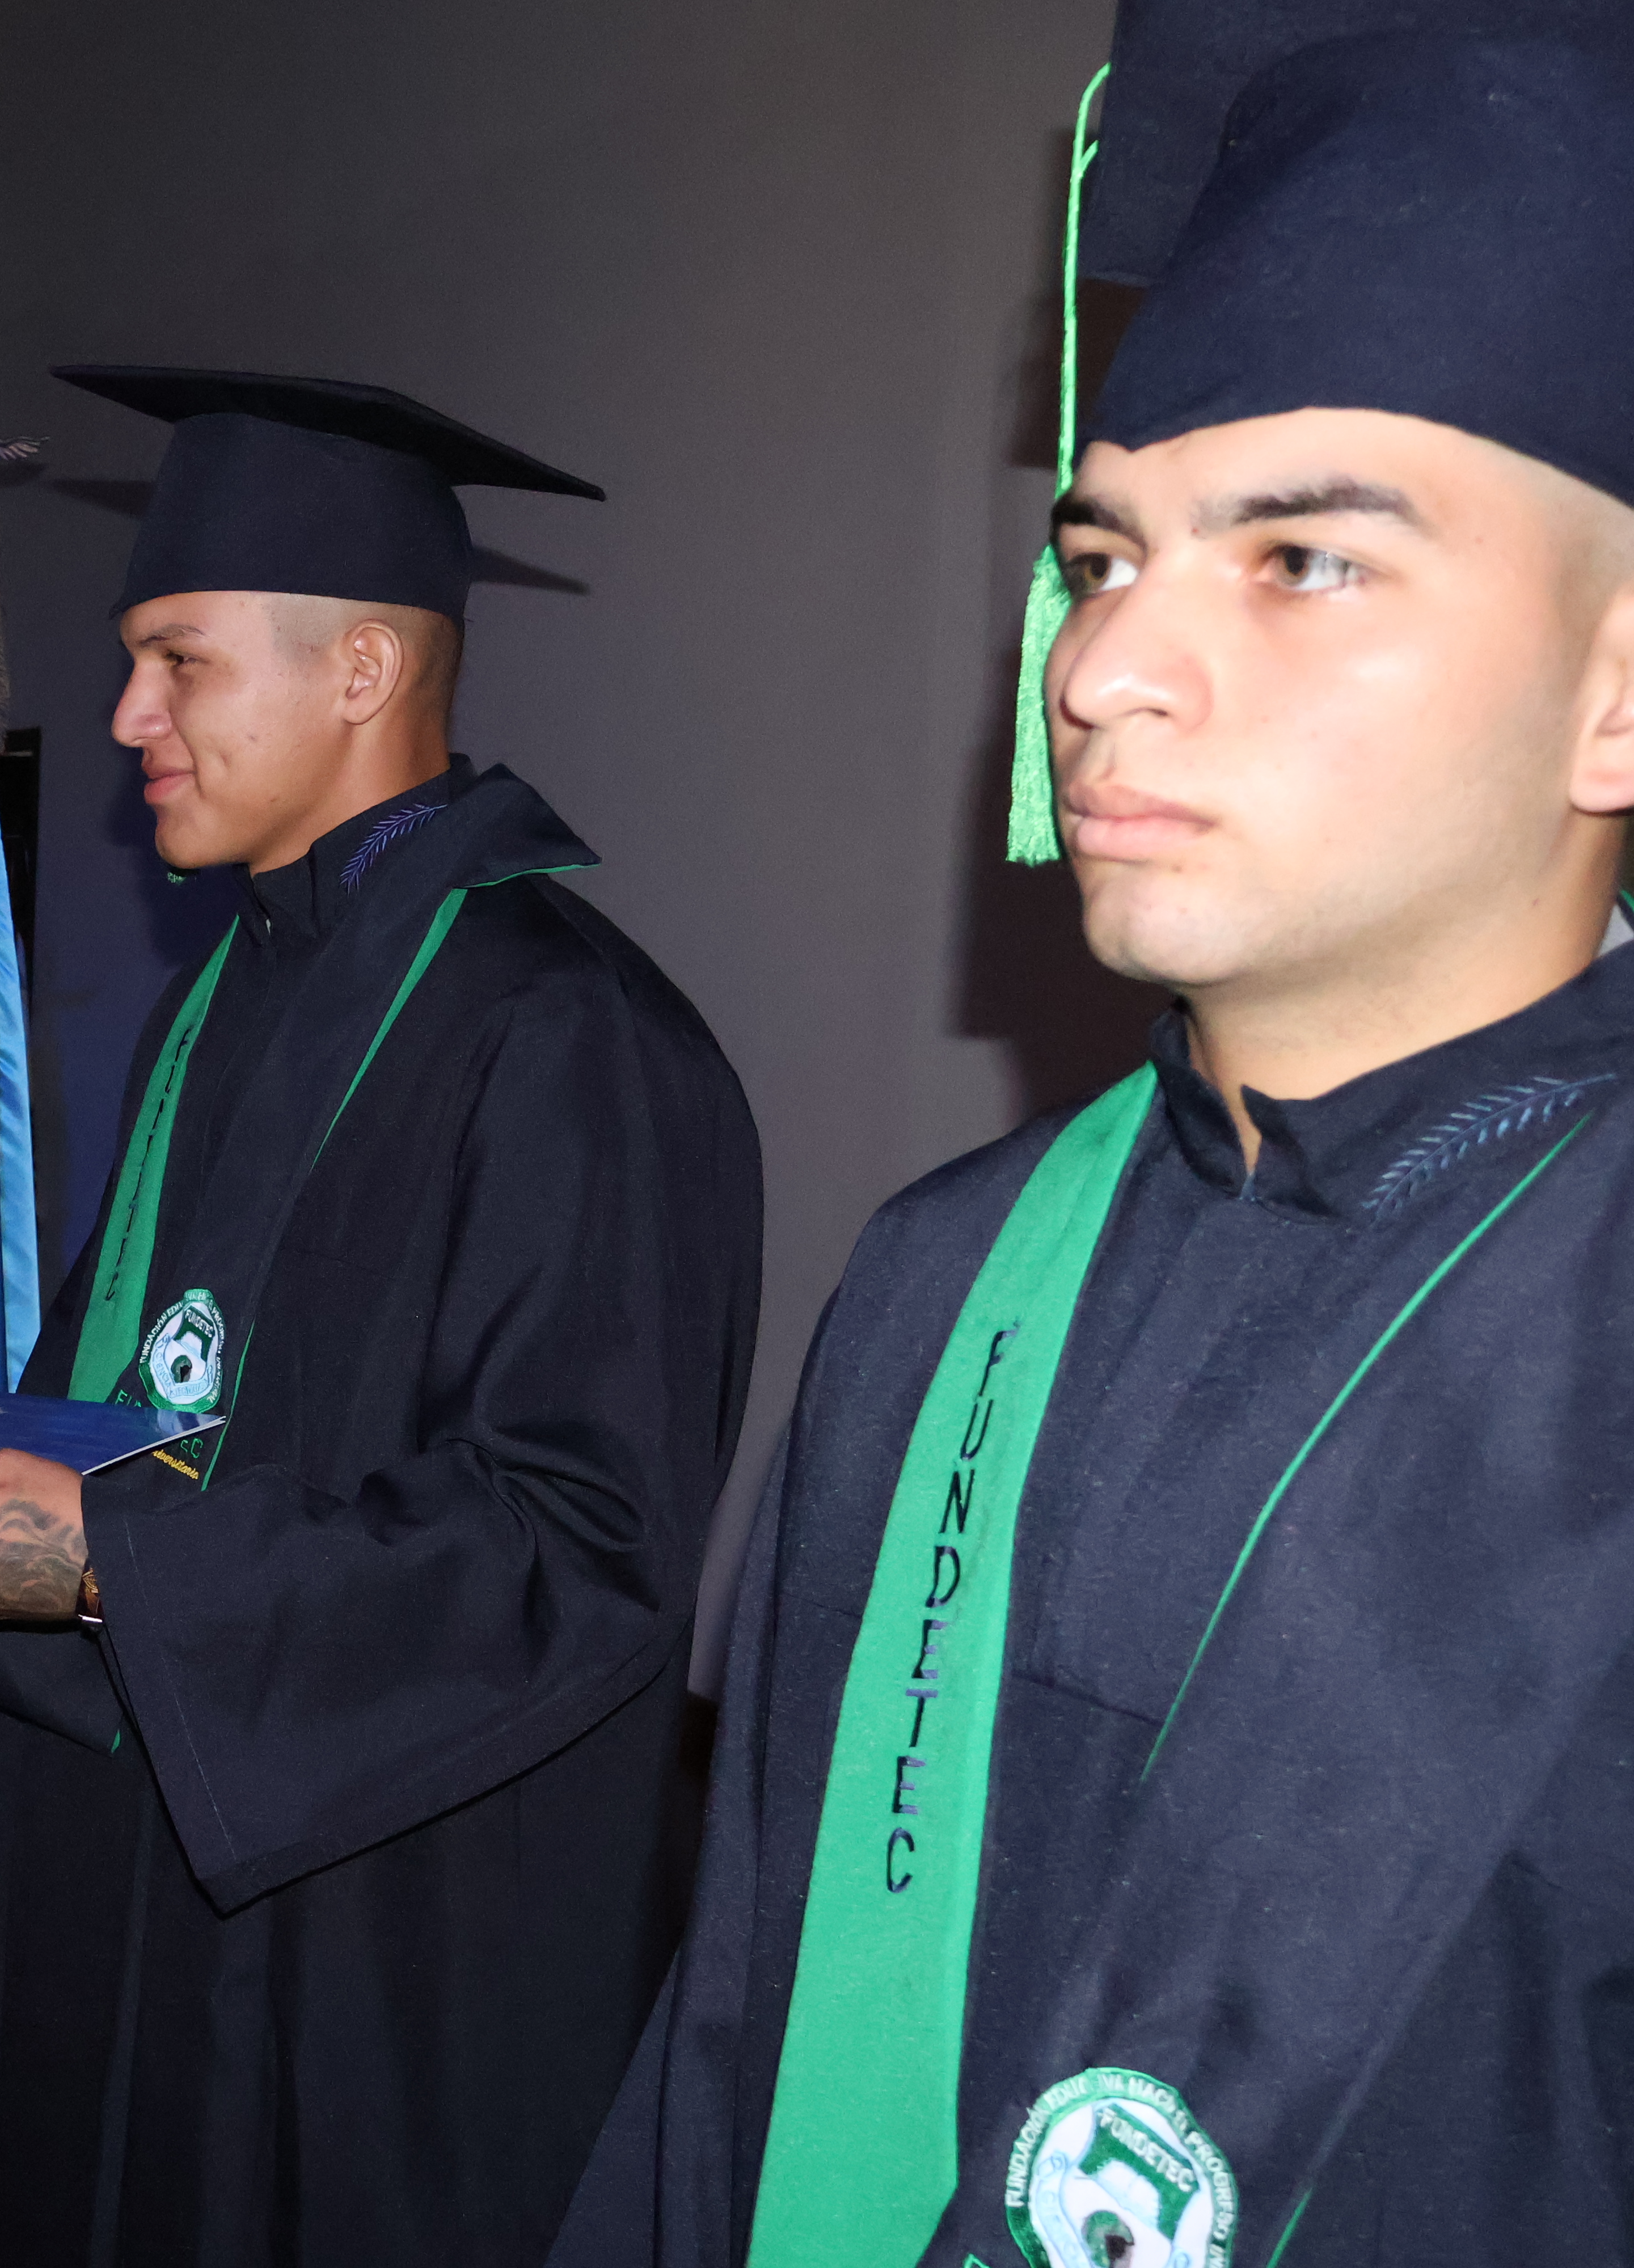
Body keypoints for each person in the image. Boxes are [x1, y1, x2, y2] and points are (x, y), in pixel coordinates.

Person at [549, 18, 1634, 2268]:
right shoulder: (948, 1278)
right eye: (1104, 552)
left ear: (1616, 688)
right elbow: (728, 2054)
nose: (1106, 661)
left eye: (1302, 560)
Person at [0, 368, 766, 2265]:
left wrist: (115, 1577)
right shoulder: (229, 991)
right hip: (130, 1871)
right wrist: (15, 1760)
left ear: (359, 673)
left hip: (383, 1939)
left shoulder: (571, 1042)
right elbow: (108, 1404)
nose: (123, 720)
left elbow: (577, 1551)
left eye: (176, 659)